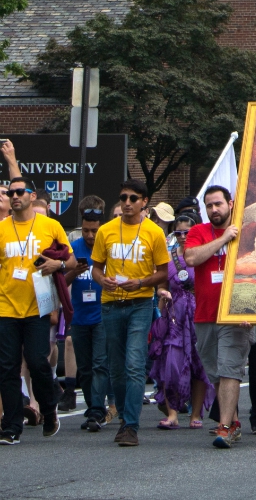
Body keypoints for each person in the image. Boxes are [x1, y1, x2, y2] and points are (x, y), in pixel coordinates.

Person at [90, 179, 168, 447]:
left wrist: (142, 282)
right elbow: (96, 267)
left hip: (139, 304)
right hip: (111, 303)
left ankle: (131, 426)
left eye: (133, 198)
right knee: (116, 367)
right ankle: (124, 416)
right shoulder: (106, 231)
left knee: (134, 364)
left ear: (144, 202)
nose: (126, 203)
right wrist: (103, 281)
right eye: (123, 198)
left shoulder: (154, 232)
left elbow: (163, 271)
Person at [0, 177, 75, 445]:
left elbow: (72, 261)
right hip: (6, 307)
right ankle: (10, 427)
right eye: (11, 193)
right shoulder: (2, 228)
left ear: (32, 196)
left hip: (38, 308)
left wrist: (59, 266)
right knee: (7, 368)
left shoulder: (50, 225)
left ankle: (48, 407)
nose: (14, 196)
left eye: (20, 192)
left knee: (36, 361)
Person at [184, 186, 254, 448]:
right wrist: (223, 238)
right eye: (209, 205)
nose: (214, 210)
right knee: (215, 371)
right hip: (205, 315)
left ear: (230, 203)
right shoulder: (198, 232)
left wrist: (251, 311)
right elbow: (191, 258)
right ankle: (233, 422)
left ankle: (224, 428)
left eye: (218, 204)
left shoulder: (246, 231)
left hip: (236, 317)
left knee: (229, 368)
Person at [150, 212, 214, 430]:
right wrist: (161, 296)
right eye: (178, 232)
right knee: (170, 363)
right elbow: (162, 286)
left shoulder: (202, 256)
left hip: (199, 315)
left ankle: (195, 414)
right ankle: (172, 413)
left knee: (198, 364)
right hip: (174, 317)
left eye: (187, 232)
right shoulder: (168, 260)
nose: (183, 236)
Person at [67, 199, 112, 432]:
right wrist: (74, 272)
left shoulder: (108, 245)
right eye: (86, 230)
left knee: (99, 364)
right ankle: (92, 406)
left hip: (102, 315)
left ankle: (96, 409)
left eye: (94, 231)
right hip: (79, 317)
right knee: (84, 368)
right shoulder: (73, 248)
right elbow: (61, 282)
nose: (90, 235)